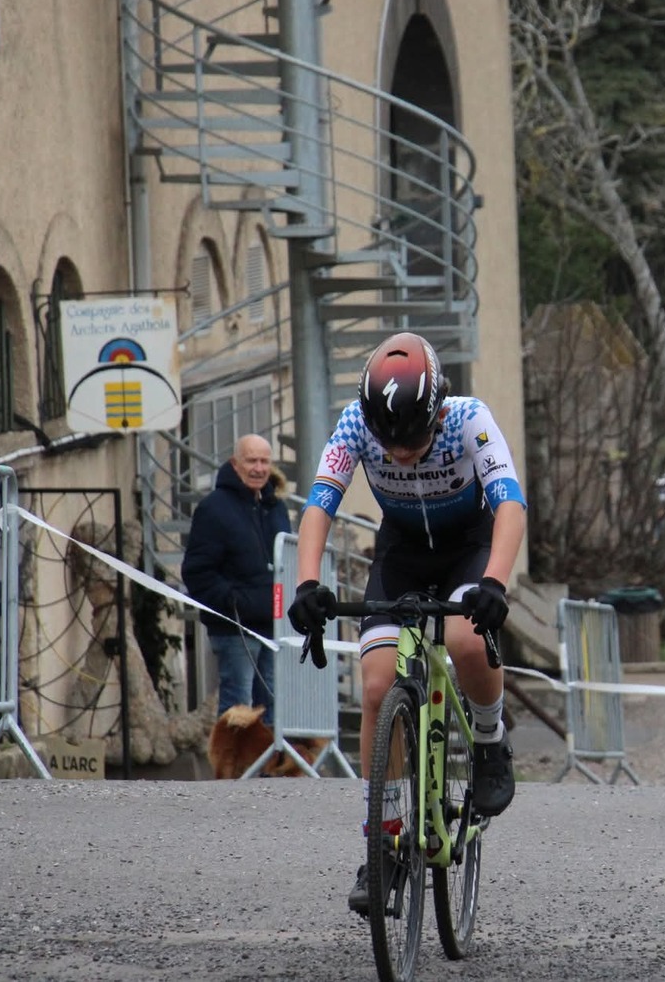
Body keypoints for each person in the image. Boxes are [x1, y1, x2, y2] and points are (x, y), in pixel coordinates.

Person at [286, 331, 527, 915]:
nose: (398, 454)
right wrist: (307, 583)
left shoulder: (469, 418)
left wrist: (495, 583)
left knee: (468, 641)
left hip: (468, 550)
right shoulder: (354, 423)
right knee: (376, 687)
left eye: (412, 440)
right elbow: (319, 505)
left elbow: (510, 504)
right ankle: (385, 840)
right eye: (387, 442)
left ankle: (489, 740)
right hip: (401, 557)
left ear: (437, 412)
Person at [181, 433, 292, 725]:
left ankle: (268, 759)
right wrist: (233, 602)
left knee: (274, 710)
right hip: (235, 629)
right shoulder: (214, 508)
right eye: (251, 460)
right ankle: (233, 759)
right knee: (238, 708)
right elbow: (197, 572)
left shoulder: (276, 507)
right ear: (235, 463)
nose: (259, 468)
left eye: (264, 461)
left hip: (273, 625)